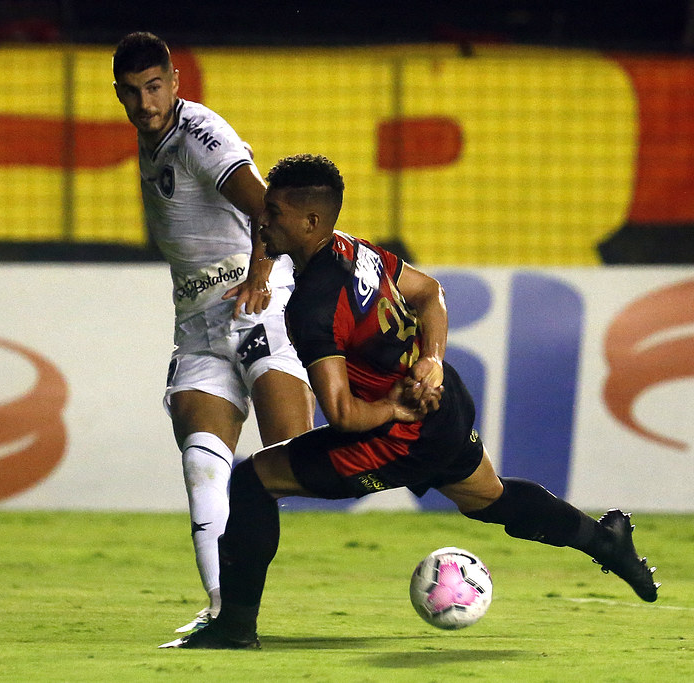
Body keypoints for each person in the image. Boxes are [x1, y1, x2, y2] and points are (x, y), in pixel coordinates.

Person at [165, 153, 659, 650]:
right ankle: (605, 541)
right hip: (443, 405)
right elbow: (430, 292)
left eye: (273, 211)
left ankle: (233, 630)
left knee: (253, 481)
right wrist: (434, 360)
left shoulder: (312, 304)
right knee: (490, 498)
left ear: (311, 221)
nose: (262, 219)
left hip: (394, 435)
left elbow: (343, 415)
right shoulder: (353, 250)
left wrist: (390, 410)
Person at [112, 33, 315, 633]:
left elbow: (268, 207)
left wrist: (257, 276)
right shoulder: (152, 142)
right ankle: (226, 614)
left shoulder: (201, 136)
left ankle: (386, 426)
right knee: (203, 468)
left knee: (293, 455)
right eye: (133, 92)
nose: (146, 103)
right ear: (119, 95)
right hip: (198, 326)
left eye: (155, 87)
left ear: (175, 83)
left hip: (256, 306)